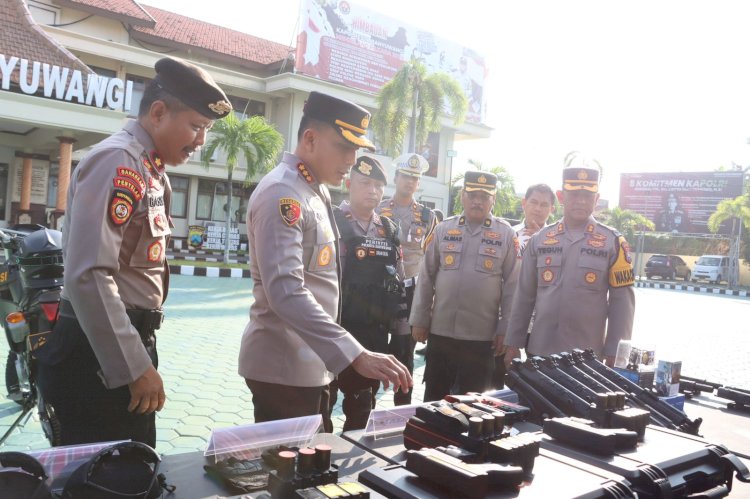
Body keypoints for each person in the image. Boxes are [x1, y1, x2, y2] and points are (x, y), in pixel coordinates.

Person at [36, 57, 232, 446]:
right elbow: (90, 274)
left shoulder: (150, 168)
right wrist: (133, 367)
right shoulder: (119, 161)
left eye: (206, 129)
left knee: (131, 470)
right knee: (104, 480)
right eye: (196, 126)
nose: (201, 141)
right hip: (98, 355)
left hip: (121, 345)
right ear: (158, 113)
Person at [238, 91, 412, 431]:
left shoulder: (315, 191)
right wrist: (355, 353)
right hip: (284, 368)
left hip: (310, 363)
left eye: (356, 149)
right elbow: (286, 291)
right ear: (310, 138)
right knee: (289, 475)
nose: (351, 158)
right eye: (344, 147)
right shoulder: (283, 194)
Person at [503, 166, 636, 368]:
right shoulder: (540, 240)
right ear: (561, 196)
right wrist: (513, 342)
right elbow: (524, 296)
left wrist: (616, 352)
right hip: (540, 351)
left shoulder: (613, 243)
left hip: (587, 356)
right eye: (574, 194)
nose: (581, 200)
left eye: (587, 195)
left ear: (597, 198)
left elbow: (622, 305)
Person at [410, 171, 519, 402]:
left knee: (473, 402)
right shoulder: (443, 230)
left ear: (493, 199)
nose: (477, 200)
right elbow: (427, 276)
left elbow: (512, 287)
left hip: (481, 338)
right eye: (472, 194)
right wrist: (420, 318)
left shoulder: (506, 234)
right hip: (441, 333)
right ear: (462, 196)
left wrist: (505, 330)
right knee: (434, 398)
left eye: (484, 195)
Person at [331, 156, 407, 430]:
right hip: (333, 331)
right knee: (320, 412)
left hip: (373, 336)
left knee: (361, 411)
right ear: (349, 184)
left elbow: (398, 284)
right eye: (365, 183)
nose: (372, 191)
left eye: (378, 185)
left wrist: (401, 336)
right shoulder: (329, 220)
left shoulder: (388, 230)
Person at [377, 153, 437, 405]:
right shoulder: (378, 210)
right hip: (378, 293)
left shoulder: (427, 216)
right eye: (406, 176)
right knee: (376, 348)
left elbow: (431, 260)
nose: (410, 181)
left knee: (405, 354)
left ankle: (401, 412)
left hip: (411, 294)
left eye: (415, 178)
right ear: (396, 178)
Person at [513, 184, 556, 253]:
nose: (538, 209)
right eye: (534, 202)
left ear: (551, 209)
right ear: (524, 203)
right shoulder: (509, 234)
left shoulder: (557, 241)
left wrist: (542, 240)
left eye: (544, 205)